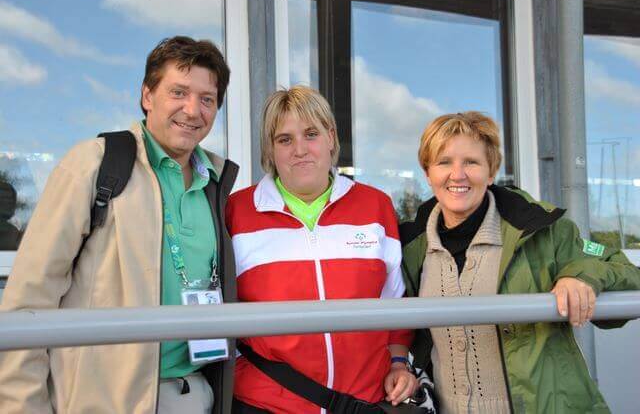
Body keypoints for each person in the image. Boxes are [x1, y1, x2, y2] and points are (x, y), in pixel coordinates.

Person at [0, 36, 238, 414]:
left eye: (207, 99)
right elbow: (28, 302)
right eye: (178, 92)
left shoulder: (217, 183)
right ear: (147, 95)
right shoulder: (93, 166)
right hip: (102, 401)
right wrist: (22, 407)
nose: (193, 110)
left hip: (194, 393)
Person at [400, 111, 640, 413]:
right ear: (428, 172)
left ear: (491, 172)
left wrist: (580, 275)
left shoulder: (542, 231)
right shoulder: (410, 246)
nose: (457, 174)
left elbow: (625, 270)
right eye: (444, 162)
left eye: (471, 162)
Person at [226, 85, 417, 413]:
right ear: (270, 150)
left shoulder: (375, 206)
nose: (299, 149)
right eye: (284, 139)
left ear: (331, 137)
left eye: (311, 134)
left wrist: (399, 363)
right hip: (267, 403)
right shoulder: (237, 211)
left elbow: (394, 301)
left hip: (361, 402)